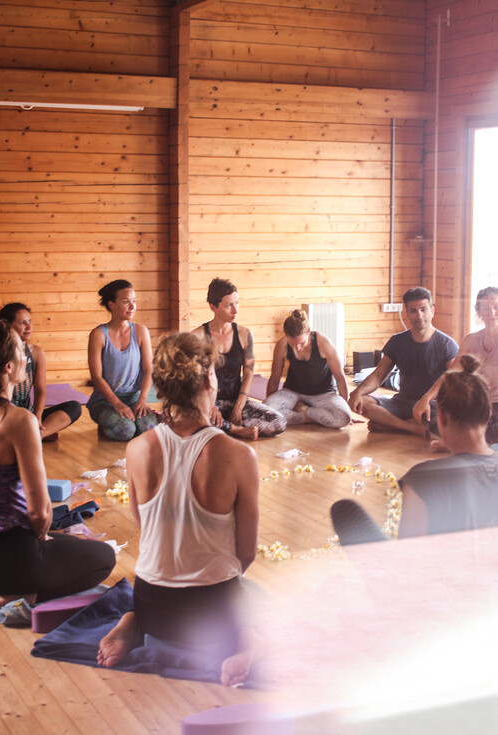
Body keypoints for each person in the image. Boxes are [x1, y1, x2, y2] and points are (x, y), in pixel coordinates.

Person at [97, 332, 262, 687]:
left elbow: (144, 526)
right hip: (213, 612)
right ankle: (246, 642)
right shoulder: (239, 455)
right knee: (258, 596)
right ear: (207, 378)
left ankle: (133, 620)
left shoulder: (138, 448)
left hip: (154, 606)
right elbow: (246, 554)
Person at [332, 355, 498, 543]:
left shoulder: (424, 477)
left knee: (344, 511)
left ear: (441, 419)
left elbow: (409, 558)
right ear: (488, 416)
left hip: (437, 576)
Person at [0, 320, 115, 607]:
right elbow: (39, 512)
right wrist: (40, 536)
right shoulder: (18, 421)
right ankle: (19, 595)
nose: (26, 356)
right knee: (104, 558)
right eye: (20, 351)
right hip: (12, 552)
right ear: (9, 368)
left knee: (65, 542)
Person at [414, 286, 498, 447]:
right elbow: (451, 375)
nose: (492, 313)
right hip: (476, 405)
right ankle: (472, 441)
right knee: (432, 411)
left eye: (496, 307)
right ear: (479, 312)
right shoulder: (470, 340)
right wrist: (425, 398)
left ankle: (457, 442)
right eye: (486, 308)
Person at [348, 287, 458, 435]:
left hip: (432, 405)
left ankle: (391, 425)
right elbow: (378, 376)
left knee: (449, 423)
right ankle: (411, 427)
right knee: (364, 402)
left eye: (423, 309)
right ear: (407, 313)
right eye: (413, 311)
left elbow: (455, 379)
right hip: (402, 402)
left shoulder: (447, 344)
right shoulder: (397, 341)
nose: (419, 315)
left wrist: (427, 399)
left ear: (432, 311)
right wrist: (358, 392)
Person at [193, 278, 285, 439]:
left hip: (236, 400)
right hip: (207, 402)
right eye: (229, 306)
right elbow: (195, 378)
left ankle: (224, 427)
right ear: (212, 307)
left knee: (279, 422)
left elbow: (248, 373)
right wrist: (210, 405)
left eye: (237, 303)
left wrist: (239, 406)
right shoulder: (198, 336)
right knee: (194, 418)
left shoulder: (244, 334)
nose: (235, 310)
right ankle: (236, 430)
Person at [87, 280, 159, 442]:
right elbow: (96, 377)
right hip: (104, 401)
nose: (132, 307)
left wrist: (142, 399)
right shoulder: (98, 334)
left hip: (134, 398)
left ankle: (130, 420)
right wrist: (117, 404)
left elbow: (149, 370)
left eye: (134, 301)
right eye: (126, 302)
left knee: (148, 430)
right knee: (126, 430)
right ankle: (107, 423)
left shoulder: (141, 331)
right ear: (111, 305)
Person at [0, 302, 81, 441]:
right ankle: (32, 436)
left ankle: (36, 435)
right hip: (5, 415)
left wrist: (37, 418)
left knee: (74, 407)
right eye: (22, 323)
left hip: (27, 414)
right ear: (8, 325)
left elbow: (40, 390)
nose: (29, 327)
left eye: (30, 322)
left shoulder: (36, 352)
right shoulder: (3, 354)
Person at [263, 309, 352, 429]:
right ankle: (315, 418)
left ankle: (303, 410)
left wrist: (345, 407)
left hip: (323, 394)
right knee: (265, 412)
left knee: (344, 418)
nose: (297, 348)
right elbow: (274, 379)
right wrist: (268, 410)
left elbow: (340, 378)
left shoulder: (323, 343)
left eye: (301, 343)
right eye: (293, 344)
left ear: (308, 332)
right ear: (286, 336)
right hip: (292, 393)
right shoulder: (282, 345)